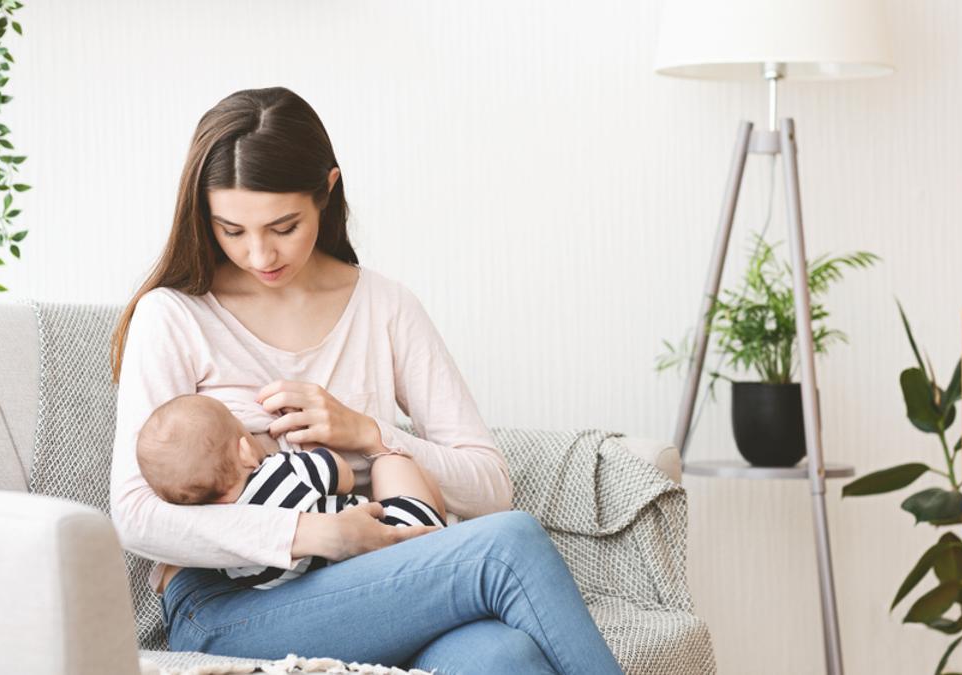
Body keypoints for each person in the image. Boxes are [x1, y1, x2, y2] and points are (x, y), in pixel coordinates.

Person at [108, 86, 623, 674]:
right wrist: (314, 533)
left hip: (378, 582)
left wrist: (370, 433)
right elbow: (136, 515)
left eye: (283, 226)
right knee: (509, 546)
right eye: (231, 230)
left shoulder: (385, 306)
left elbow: (489, 485)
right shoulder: (175, 315)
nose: (258, 254)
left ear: (326, 191)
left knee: (504, 657)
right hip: (231, 607)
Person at [136, 392, 446, 589]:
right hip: (393, 538)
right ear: (245, 451)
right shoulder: (280, 471)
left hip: (338, 583)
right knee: (391, 460)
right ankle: (441, 529)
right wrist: (308, 449)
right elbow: (343, 474)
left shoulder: (225, 548)